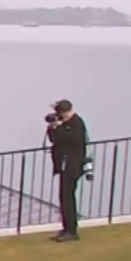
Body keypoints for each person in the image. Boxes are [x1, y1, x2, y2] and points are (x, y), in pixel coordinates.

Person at [46, 99, 89, 243]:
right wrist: (53, 128)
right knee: (64, 197)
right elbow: (55, 140)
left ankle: (71, 230)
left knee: (68, 197)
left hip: (72, 166)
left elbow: (72, 139)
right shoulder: (65, 124)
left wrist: (59, 128)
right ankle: (66, 228)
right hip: (65, 166)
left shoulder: (77, 123)